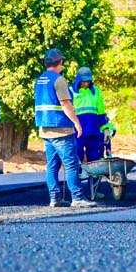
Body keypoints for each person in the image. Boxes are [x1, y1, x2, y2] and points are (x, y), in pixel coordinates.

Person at [34, 48, 97, 209]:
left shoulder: (40, 80)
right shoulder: (59, 80)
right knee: (71, 164)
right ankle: (77, 197)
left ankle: (55, 198)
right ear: (60, 62)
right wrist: (76, 122)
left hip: (45, 129)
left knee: (52, 165)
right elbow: (65, 103)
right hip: (61, 128)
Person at [70, 67, 115, 163]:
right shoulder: (71, 91)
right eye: (83, 81)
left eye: (88, 81)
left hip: (93, 130)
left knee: (95, 158)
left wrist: (106, 128)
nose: (86, 84)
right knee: (77, 158)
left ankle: (94, 178)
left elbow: (101, 112)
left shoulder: (96, 91)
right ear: (78, 80)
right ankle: (77, 177)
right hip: (77, 131)